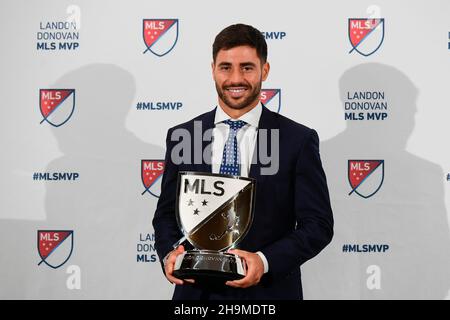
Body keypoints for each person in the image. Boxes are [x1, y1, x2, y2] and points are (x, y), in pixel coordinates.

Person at [152, 23, 333, 300]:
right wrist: (169, 252)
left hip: (268, 294)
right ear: (213, 69)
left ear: (265, 70)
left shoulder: (297, 140)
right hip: (196, 295)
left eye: (247, 67)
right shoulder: (183, 136)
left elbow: (318, 225)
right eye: (226, 67)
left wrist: (264, 260)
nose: (236, 78)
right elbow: (165, 215)